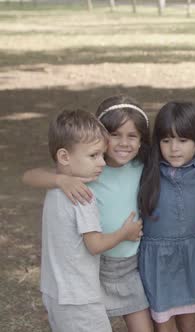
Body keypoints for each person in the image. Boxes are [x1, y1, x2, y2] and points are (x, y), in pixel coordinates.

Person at [23, 96, 154, 331]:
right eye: (115, 135)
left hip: (128, 267)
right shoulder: (83, 178)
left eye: (132, 136)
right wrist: (60, 179)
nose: (123, 143)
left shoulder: (138, 166)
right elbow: (29, 176)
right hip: (95, 271)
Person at [138, 101, 195, 332]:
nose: (174, 148)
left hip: (192, 258)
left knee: (189, 322)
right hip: (157, 261)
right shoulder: (146, 166)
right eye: (166, 140)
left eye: (183, 140)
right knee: (163, 324)